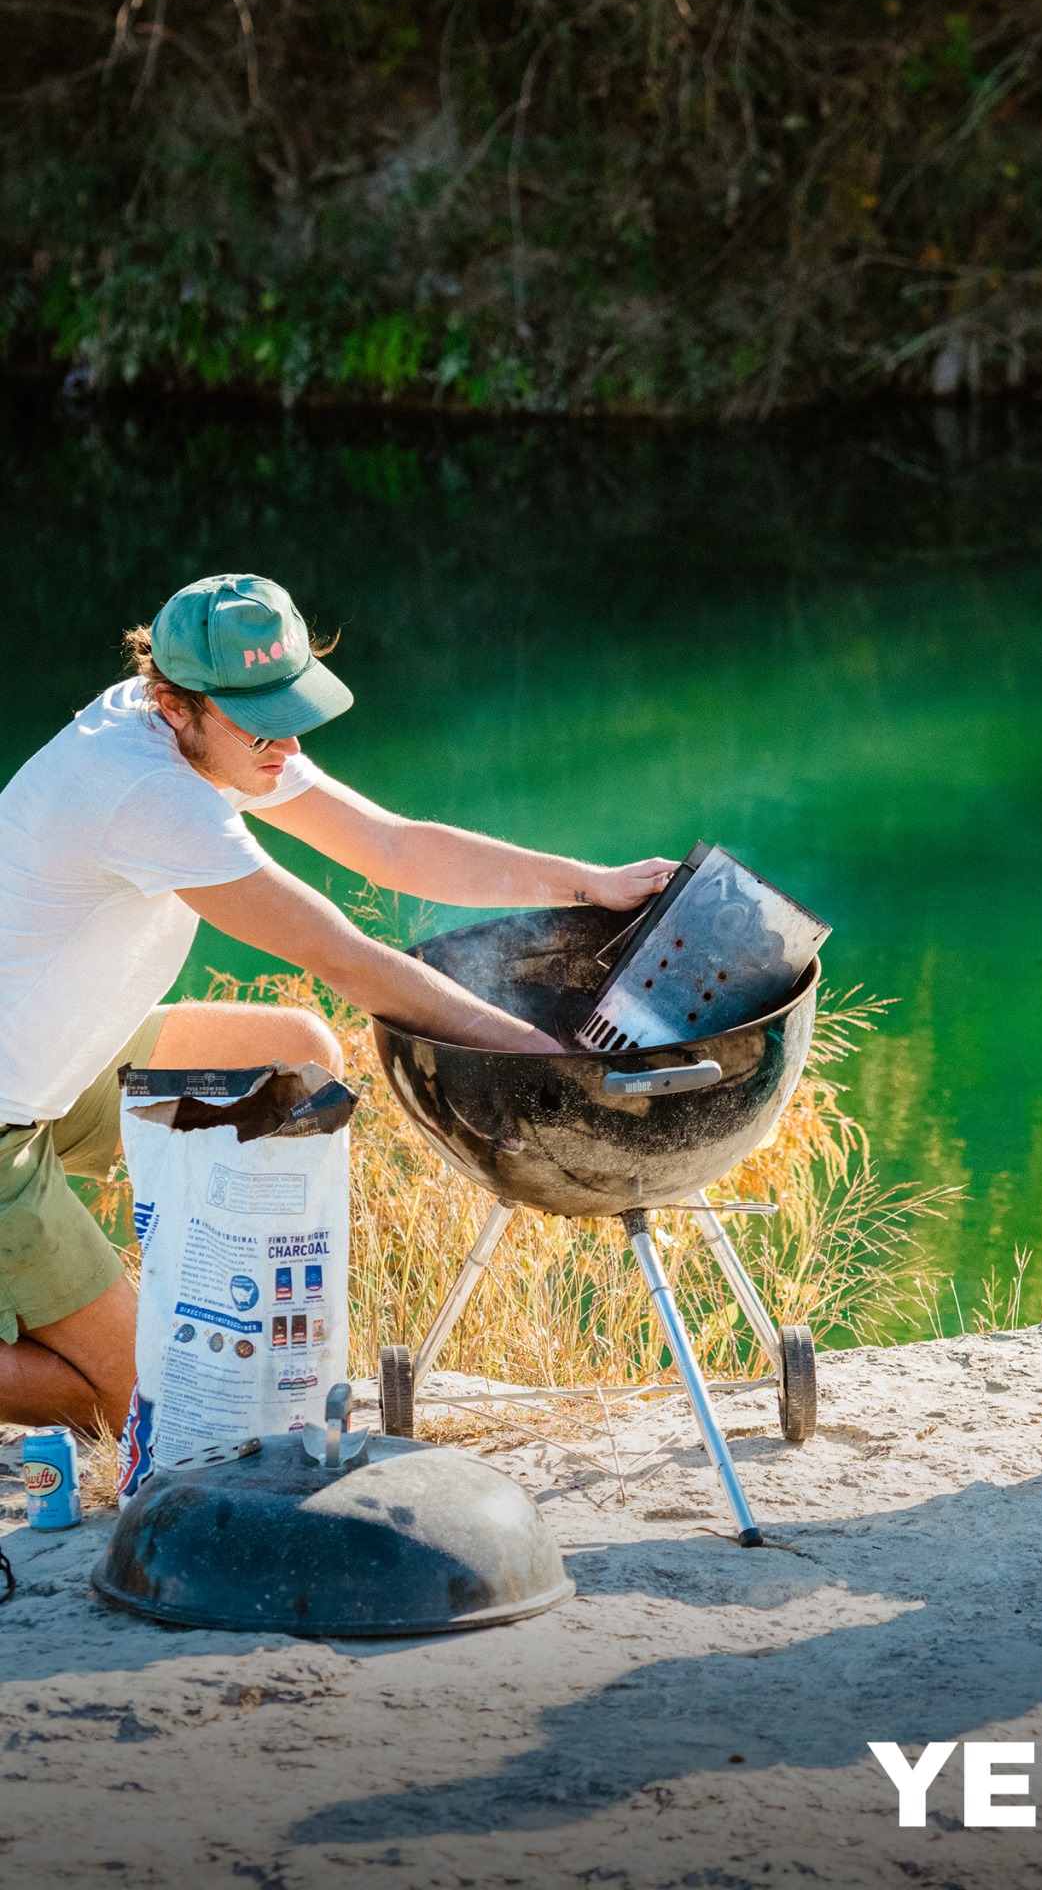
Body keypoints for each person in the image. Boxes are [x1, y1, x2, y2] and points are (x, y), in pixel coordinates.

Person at [0, 574, 678, 1436]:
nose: (286, 745)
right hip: (5, 1118)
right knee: (135, 1402)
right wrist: (541, 1052)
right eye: (262, 725)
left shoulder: (198, 728)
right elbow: (344, 958)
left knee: (295, 1056)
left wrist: (592, 882)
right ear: (175, 705)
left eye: (294, 712)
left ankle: (219, 1315)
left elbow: (391, 846)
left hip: (66, 1066)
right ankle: (132, 1346)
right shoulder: (147, 792)